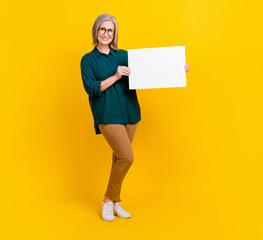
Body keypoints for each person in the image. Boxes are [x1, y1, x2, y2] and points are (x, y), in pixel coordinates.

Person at [80, 14, 190, 222]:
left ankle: (114, 201)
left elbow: (152, 70)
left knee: (118, 158)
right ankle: (107, 200)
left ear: (115, 34)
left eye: (110, 30)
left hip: (130, 111)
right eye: (102, 29)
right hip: (107, 112)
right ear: (96, 31)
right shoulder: (88, 59)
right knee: (126, 157)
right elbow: (91, 88)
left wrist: (178, 69)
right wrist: (115, 75)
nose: (106, 33)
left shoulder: (125, 55)